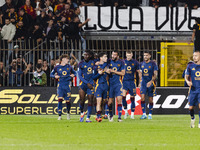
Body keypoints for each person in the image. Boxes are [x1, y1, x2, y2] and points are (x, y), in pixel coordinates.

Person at [50, 54, 76, 120]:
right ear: (63, 59)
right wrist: (55, 76)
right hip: (60, 85)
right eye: (67, 59)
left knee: (68, 101)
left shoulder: (69, 67)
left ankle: (68, 113)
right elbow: (51, 74)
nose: (68, 60)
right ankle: (59, 115)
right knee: (60, 99)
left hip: (67, 85)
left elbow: (75, 73)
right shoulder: (57, 67)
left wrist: (73, 75)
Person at [139, 51, 158, 120]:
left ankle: (150, 114)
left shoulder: (153, 64)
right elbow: (140, 73)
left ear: (149, 56)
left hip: (151, 84)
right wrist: (140, 81)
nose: (145, 57)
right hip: (144, 83)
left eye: (146, 55)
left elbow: (155, 74)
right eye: (144, 55)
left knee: (150, 99)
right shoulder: (141, 64)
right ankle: (144, 114)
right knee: (142, 98)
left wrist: (151, 81)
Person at [107, 50, 125, 122]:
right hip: (110, 84)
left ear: (117, 56)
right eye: (112, 54)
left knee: (119, 100)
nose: (113, 56)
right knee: (110, 102)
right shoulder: (109, 61)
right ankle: (110, 115)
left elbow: (123, 73)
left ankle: (119, 117)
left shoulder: (121, 62)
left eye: (115, 55)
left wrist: (113, 71)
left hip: (118, 83)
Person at [78, 50, 95, 122]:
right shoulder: (81, 63)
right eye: (84, 55)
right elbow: (79, 76)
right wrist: (86, 83)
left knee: (90, 100)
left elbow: (94, 74)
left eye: (87, 55)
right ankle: (82, 112)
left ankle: (88, 118)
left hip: (91, 85)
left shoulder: (93, 63)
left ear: (90, 56)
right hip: (83, 84)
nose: (85, 56)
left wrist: (91, 83)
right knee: (82, 100)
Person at [122, 50, 140, 119]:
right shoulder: (123, 62)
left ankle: (132, 114)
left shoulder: (135, 62)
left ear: (132, 55)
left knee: (132, 98)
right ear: (126, 55)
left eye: (130, 55)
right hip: (124, 81)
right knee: (123, 96)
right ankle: (126, 112)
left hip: (132, 82)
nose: (128, 56)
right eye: (127, 55)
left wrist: (139, 82)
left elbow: (139, 72)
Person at [185, 51, 200, 128]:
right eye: (193, 55)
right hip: (193, 90)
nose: (194, 57)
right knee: (190, 108)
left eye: (196, 56)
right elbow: (186, 76)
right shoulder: (190, 66)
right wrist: (187, 81)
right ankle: (192, 118)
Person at [93, 52, 109, 122]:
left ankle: (103, 113)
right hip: (99, 85)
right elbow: (93, 77)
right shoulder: (96, 67)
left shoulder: (107, 65)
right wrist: (99, 74)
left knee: (105, 100)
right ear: (101, 58)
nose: (106, 58)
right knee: (99, 101)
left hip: (106, 85)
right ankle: (98, 116)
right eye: (105, 57)